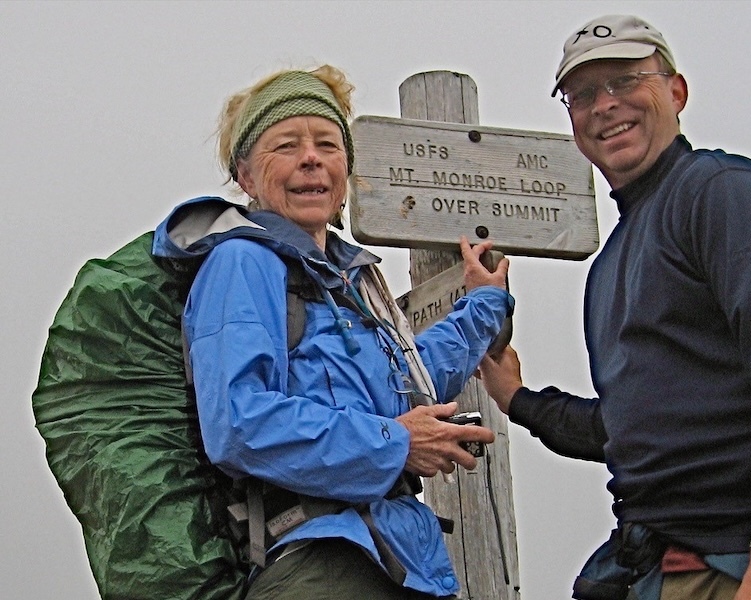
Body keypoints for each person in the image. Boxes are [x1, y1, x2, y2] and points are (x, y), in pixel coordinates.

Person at [477, 14, 751, 600]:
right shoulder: (614, 260)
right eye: (583, 93)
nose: (604, 105)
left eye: (626, 81)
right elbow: (635, 430)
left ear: (676, 91)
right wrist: (517, 399)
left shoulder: (724, 193)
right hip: (675, 555)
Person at [162, 65, 514, 599]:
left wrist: (484, 303)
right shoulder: (243, 262)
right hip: (321, 563)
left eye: (328, 144)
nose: (311, 158)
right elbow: (238, 421)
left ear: (345, 170)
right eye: (286, 144)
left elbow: (412, 378)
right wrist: (397, 442)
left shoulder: (350, 283)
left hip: (398, 560)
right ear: (246, 176)